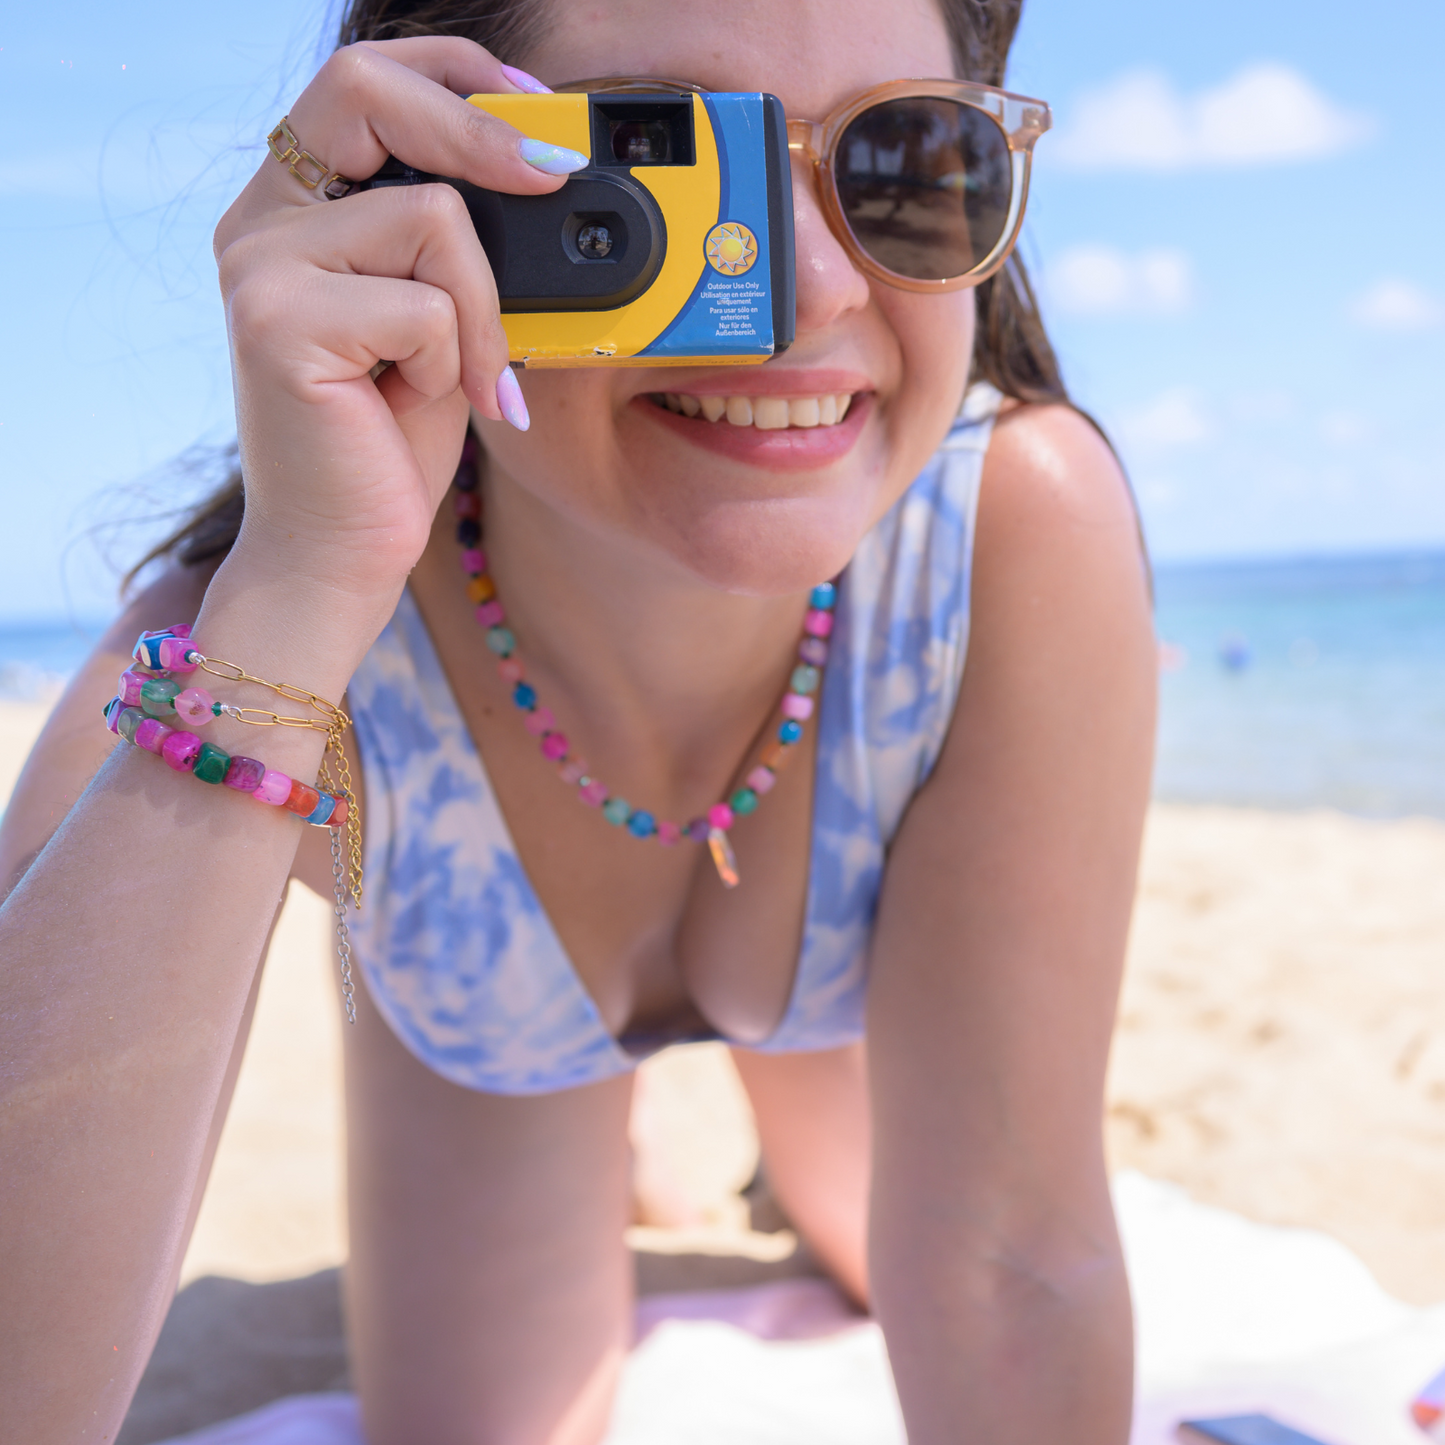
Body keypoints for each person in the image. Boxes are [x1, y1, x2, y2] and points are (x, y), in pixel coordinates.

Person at [0, 1, 1156, 1441]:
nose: (803, 288)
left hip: (831, 939)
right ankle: (633, 1126)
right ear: (418, 191)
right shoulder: (272, 636)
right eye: (656, 163)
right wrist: (300, 586)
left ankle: (764, 1072)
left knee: (880, 1221)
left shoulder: (1009, 526)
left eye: (902, 161)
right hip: (502, 1007)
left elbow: (1008, 1261)